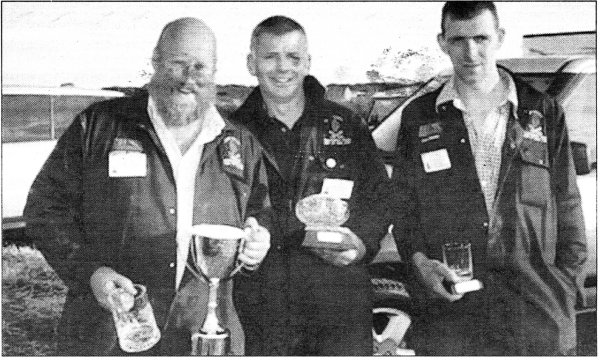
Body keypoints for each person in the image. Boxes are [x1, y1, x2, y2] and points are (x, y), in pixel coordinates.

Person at [23, 17, 271, 356]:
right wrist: (90, 273)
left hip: (204, 335)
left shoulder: (239, 142)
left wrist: (258, 243)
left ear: (214, 70)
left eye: (200, 66)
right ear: (155, 61)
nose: (188, 78)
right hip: (110, 331)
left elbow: (261, 214)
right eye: (178, 63)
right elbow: (45, 207)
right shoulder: (99, 125)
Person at [390, 2, 587, 355]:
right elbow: (404, 212)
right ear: (442, 42)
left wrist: (564, 286)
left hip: (536, 314)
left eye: (481, 37)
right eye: (458, 40)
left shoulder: (542, 112)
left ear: (500, 38)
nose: (470, 51)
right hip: (452, 316)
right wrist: (421, 265)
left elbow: (569, 207)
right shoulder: (420, 118)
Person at [231, 16, 389, 355]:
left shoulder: (345, 125)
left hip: (339, 299)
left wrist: (360, 244)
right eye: (270, 56)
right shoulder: (231, 133)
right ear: (251, 63)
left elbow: (379, 196)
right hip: (262, 301)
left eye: (293, 57)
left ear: (308, 63)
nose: (282, 67)